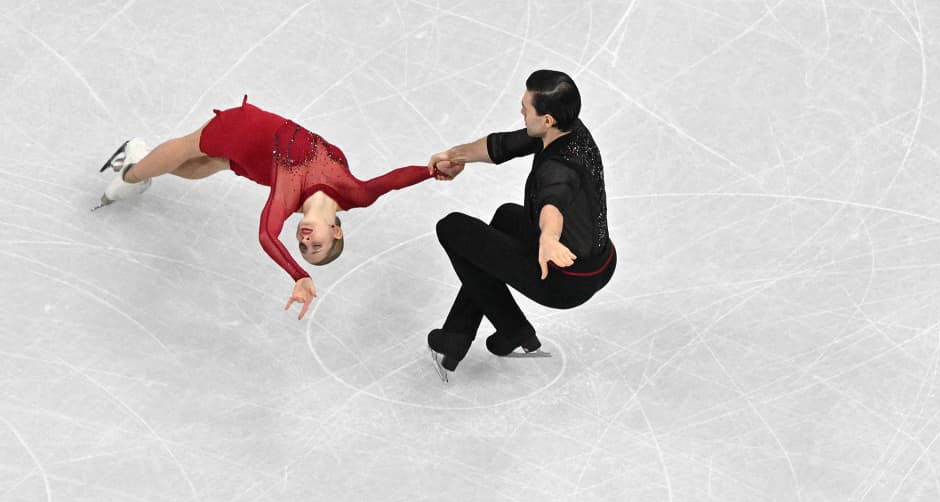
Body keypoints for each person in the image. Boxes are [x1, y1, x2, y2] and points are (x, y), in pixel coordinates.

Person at [98, 96, 443, 319]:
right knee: (192, 147)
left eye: (303, 248)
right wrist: (432, 171)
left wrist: (299, 274)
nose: (306, 241)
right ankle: (132, 172)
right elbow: (394, 180)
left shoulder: (290, 196)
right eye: (317, 245)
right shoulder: (356, 195)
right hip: (254, 129)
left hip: (259, 159)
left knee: (200, 167)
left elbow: (266, 235)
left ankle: (140, 160)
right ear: (336, 230)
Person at [424, 69, 616, 378]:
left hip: (566, 279)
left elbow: (553, 204)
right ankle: (472, 333)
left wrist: (549, 239)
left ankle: (501, 329)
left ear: (547, 119)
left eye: (526, 108)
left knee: (452, 228)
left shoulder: (557, 169)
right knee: (506, 218)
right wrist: (453, 155)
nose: (521, 111)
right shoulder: (568, 130)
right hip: (600, 262)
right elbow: (503, 145)